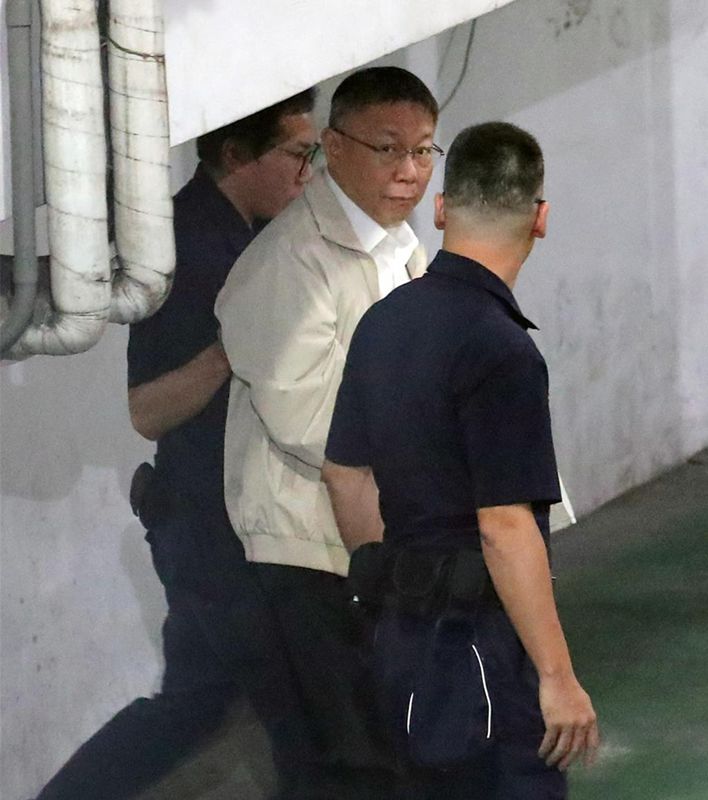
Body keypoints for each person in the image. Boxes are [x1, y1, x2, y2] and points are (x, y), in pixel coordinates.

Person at [34, 91, 321, 800]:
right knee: (282, 706)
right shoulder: (185, 249)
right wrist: (231, 348)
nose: (307, 172)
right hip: (207, 528)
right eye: (296, 153)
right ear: (237, 156)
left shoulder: (253, 234)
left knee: (218, 699)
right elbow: (147, 410)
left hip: (235, 520)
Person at [322, 121, 600, 799]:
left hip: (399, 638)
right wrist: (557, 677)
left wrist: (397, 588)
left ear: (442, 209)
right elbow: (504, 526)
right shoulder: (502, 350)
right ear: (540, 218)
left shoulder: (382, 322)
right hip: (483, 651)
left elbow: (345, 475)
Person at [214, 66, 441, 798]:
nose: (409, 170)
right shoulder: (289, 261)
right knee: (347, 763)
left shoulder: (399, 247)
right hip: (308, 553)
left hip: (379, 534)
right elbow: (303, 416)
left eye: (424, 150)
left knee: (402, 750)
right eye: (388, 148)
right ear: (334, 148)